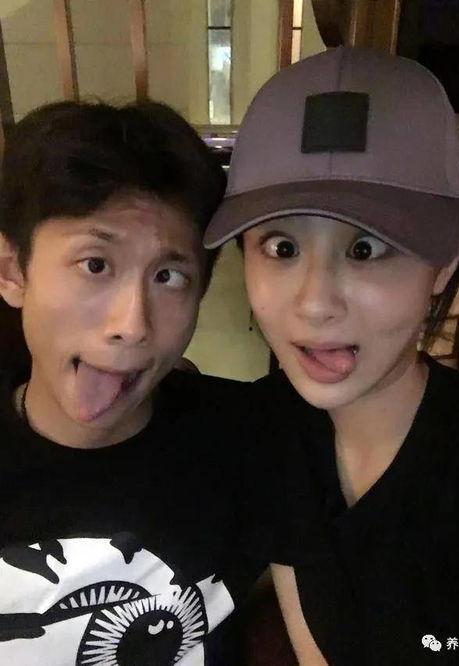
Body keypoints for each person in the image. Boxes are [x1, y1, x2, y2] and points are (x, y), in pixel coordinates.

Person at [204, 47, 459, 665]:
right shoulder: (273, 428)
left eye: (366, 249)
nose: (314, 304)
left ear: (447, 258)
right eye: (281, 247)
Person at [0, 100, 262, 664]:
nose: (133, 325)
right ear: (13, 270)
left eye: (169, 277)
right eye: (95, 264)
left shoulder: (251, 440)